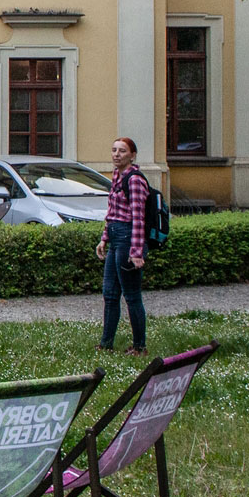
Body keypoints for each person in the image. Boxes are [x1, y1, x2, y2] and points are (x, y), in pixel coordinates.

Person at [99, 136, 150, 355]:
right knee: (110, 294)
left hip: (129, 238)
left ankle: (140, 347)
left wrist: (137, 252)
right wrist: (104, 238)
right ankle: (106, 344)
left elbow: (139, 218)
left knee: (131, 295)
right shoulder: (117, 177)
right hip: (115, 236)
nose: (116, 154)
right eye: (114, 150)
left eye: (122, 151)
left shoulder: (135, 180)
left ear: (132, 155)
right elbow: (112, 212)